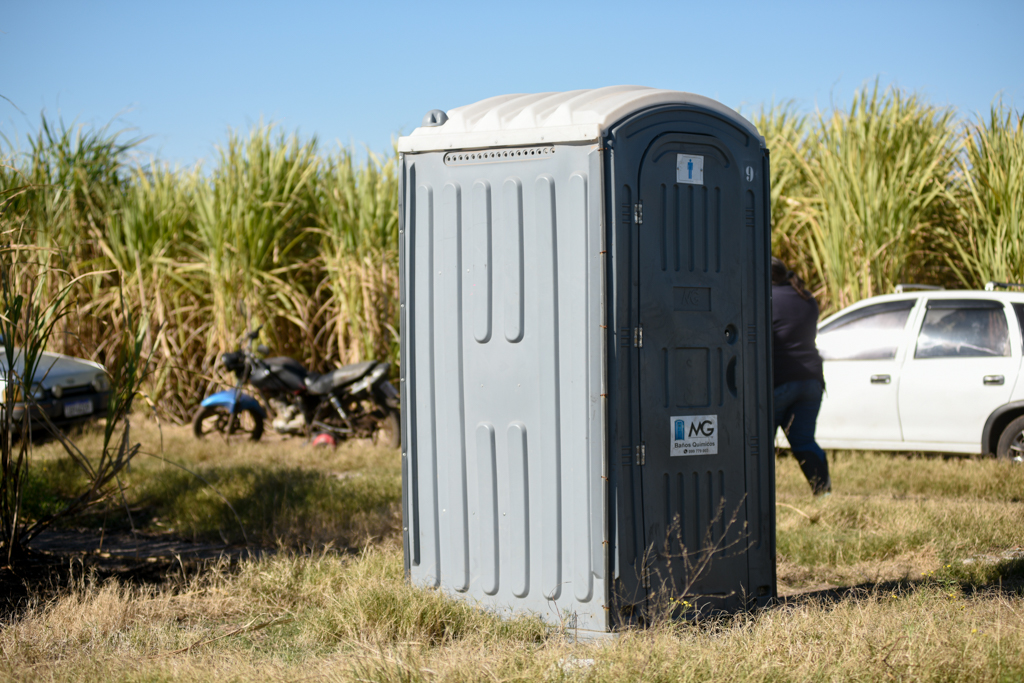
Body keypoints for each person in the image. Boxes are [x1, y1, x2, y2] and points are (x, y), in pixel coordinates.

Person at [771, 256, 831, 495]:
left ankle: (754, 498)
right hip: (812, 380)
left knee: (757, 444)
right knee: (804, 440)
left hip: (780, 381)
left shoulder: (767, 299)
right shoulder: (806, 297)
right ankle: (823, 494)